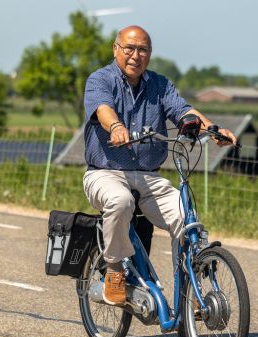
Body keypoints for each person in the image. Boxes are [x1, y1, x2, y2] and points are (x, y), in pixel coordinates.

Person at [83, 25, 236, 306]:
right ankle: (115, 269)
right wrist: (116, 126)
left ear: (149, 54)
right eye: (129, 48)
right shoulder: (100, 80)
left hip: (148, 177)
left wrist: (213, 130)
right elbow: (103, 109)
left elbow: (182, 110)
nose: (135, 55)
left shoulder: (160, 85)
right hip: (105, 172)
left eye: (143, 49)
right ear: (116, 49)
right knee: (119, 201)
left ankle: (191, 292)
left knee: (187, 218)